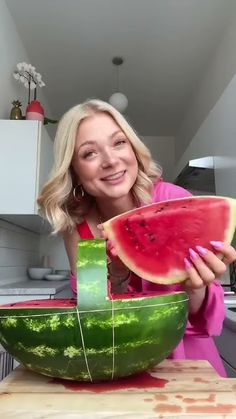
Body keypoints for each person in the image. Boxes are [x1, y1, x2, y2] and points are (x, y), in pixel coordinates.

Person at [38, 98, 236, 377]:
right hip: (120, 367)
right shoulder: (77, 229)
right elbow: (95, 320)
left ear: (133, 148)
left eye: (119, 143)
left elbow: (200, 320)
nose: (110, 161)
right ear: (75, 172)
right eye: (89, 153)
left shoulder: (173, 200)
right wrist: (117, 278)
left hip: (187, 367)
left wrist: (196, 288)